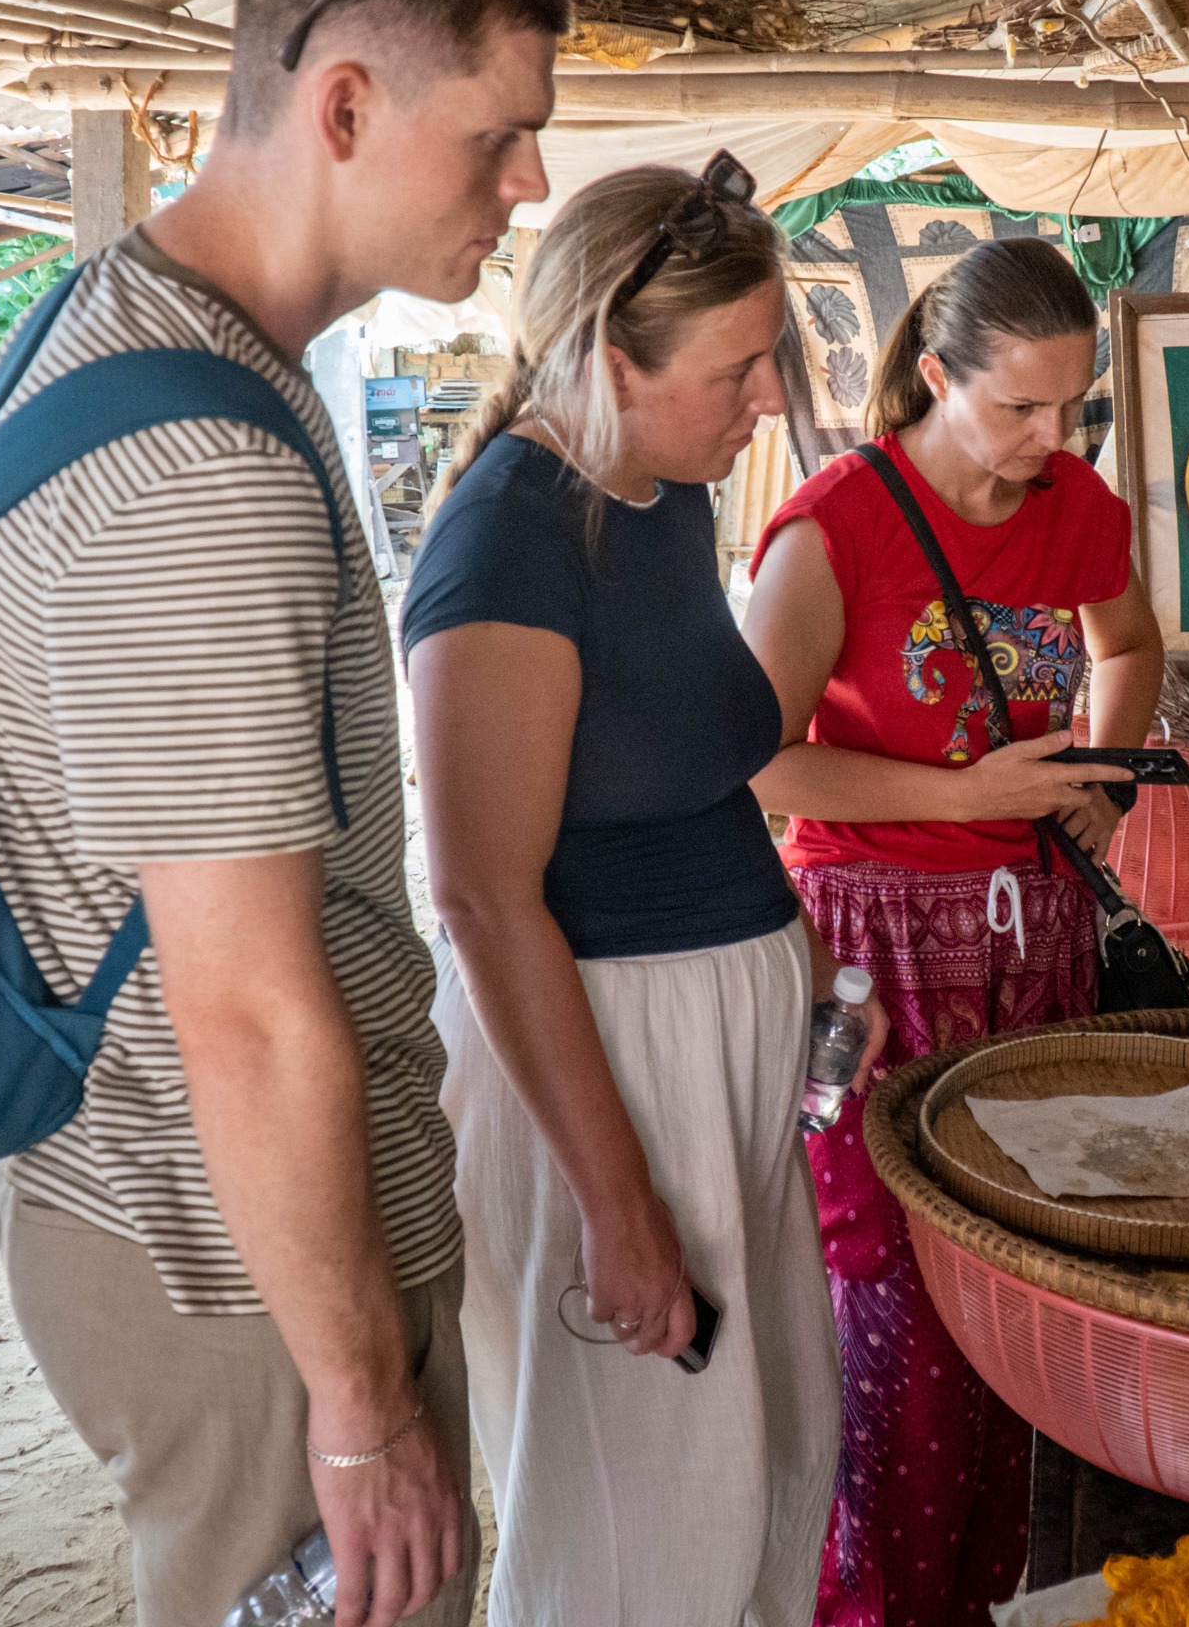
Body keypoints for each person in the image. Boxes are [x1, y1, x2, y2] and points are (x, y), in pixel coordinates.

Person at [0, 0, 559, 1627]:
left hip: (169, 1212)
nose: (530, 185)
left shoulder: (122, 327)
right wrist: (364, 1413)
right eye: (500, 136)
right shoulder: (198, 473)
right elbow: (243, 1004)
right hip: (236, 1266)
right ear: (345, 106)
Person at [403, 158, 879, 1627]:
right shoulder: (507, 550)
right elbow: (485, 903)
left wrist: (801, 1007)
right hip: (606, 1070)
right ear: (614, 357)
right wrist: (618, 1205)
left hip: (718, 1070)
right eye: (741, 371)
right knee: (634, 1519)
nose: (766, 405)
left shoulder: (658, 497)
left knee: (753, 1466)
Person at [741, 239, 1159, 1627]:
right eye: (1021, 410)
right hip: (874, 959)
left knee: (1024, 1314)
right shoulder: (831, 527)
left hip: (1033, 945)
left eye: (1075, 409)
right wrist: (961, 794)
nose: (1053, 442)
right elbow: (752, 770)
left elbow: (1130, 646)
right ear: (936, 375)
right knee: (895, 1339)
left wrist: (1101, 771)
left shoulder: (1077, 506)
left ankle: (982, 1604)